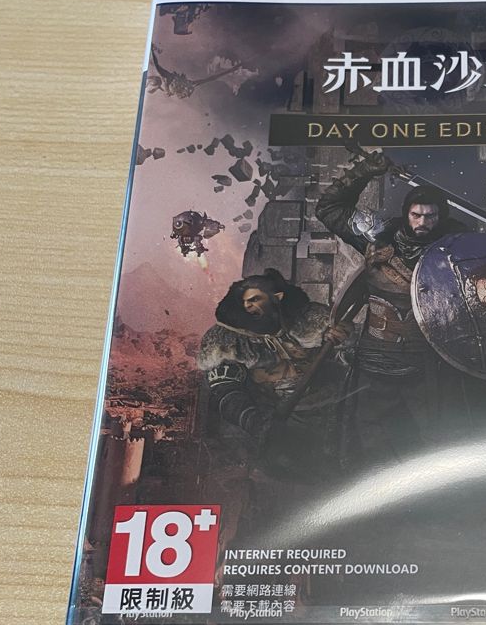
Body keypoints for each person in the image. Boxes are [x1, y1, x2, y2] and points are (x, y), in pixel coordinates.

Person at [314, 150, 465, 464]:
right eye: (416, 215)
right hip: (376, 356)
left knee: (435, 439)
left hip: (429, 359)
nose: (422, 222)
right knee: (370, 437)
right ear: (407, 213)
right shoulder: (378, 236)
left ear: (441, 216)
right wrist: (366, 170)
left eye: (431, 216)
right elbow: (329, 208)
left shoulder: (458, 247)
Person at [197, 268, 349, 474]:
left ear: (277, 298)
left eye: (255, 299)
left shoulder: (307, 319)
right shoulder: (228, 338)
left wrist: (342, 340)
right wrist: (258, 424)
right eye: (245, 301)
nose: (248, 306)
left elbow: (346, 360)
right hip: (280, 417)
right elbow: (227, 393)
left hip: (335, 406)